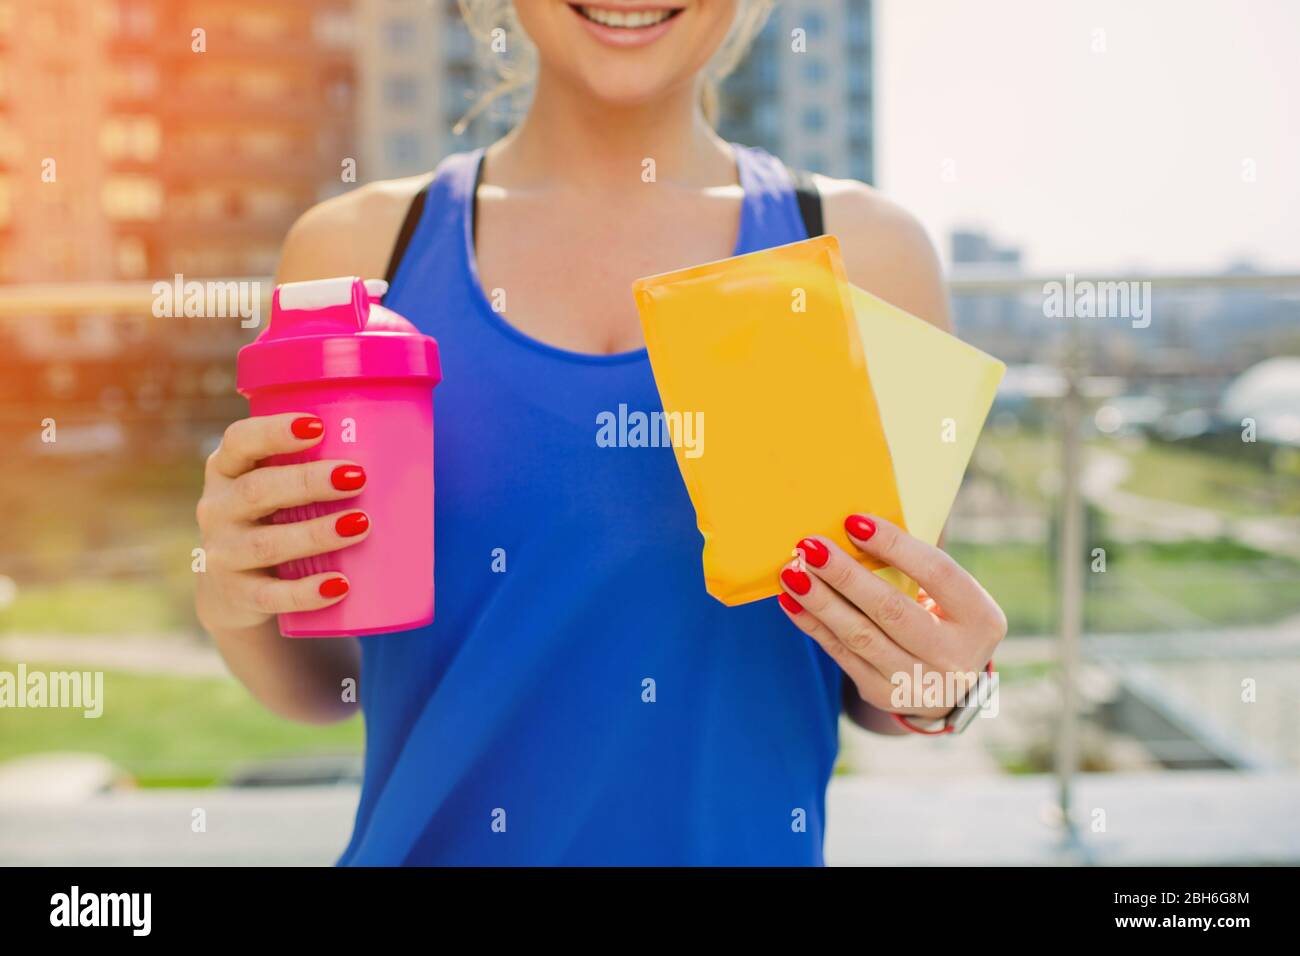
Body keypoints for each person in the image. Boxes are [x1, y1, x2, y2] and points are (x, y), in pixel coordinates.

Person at [194, 0, 1007, 865]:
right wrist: (233, 598)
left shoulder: (869, 256)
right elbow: (334, 691)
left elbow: (881, 689)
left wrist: (946, 686)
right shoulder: (353, 254)